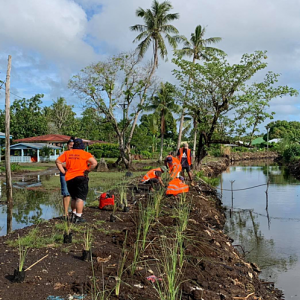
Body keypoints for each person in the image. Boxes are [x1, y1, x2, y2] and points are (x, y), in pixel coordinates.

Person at [56, 138, 97, 223]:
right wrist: (88, 170)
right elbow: (94, 163)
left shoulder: (67, 153)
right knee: (80, 198)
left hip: (70, 178)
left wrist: (63, 171)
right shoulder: (85, 154)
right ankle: (78, 216)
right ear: (82, 146)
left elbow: (58, 161)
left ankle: (73, 214)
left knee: (74, 197)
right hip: (81, 177)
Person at [59, 137, 74, 219]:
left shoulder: (77, 154)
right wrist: (69, 166)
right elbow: (60, 163)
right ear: (67, 145)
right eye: (70, 144)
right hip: (65, 174)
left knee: (75, 193)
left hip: (75, 174)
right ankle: (65, 213)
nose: (71, 146)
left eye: (73, 145)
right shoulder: (64, 153)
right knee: (66, 193)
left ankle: (74, 212)